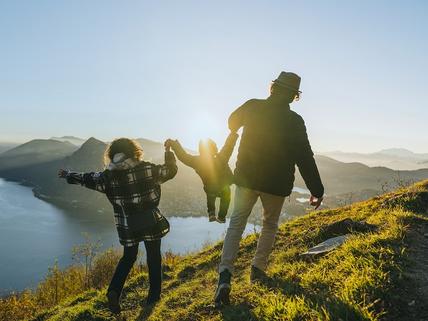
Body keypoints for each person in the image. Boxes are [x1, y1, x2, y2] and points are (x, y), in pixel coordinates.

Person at [214, 71, 324, 306]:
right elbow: (305, 157)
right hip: (276, 184)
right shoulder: (295, 122)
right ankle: (258, 269)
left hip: (247, 179)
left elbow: (232, 122)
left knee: (236, 223)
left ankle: (225, 276)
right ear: (294, 96)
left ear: (273, 87)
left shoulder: (253, 106)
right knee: (270, 224)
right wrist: (317, 188)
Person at [58, 138, 177, 314]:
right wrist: (168, 152)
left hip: (127, 225)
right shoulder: (147, 168)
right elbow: (170, 171)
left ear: (112, 155)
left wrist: (69, 174)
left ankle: (114, 291)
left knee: (129, 257)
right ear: (134, 151)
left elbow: (88, 178)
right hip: (150, 221)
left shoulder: (108, 177)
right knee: (153, 256)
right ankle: (153, 297)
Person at [165, 132, 238, 223]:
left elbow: (183, 156)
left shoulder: (197, 161)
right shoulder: (221, 158)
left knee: (210, 196)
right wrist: (233, 135)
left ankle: (211, 213)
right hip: (223, 187)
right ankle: (221, 217)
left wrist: (174, 144)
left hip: (210, 188)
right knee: (226, 196)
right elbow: (228, 147)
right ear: (214, 148)